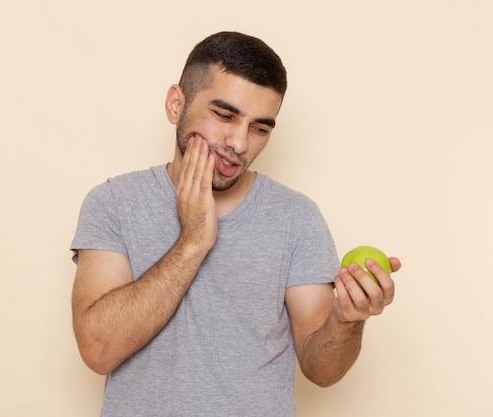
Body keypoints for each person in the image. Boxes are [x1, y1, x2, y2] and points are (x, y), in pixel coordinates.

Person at [70, 31, 400, 417]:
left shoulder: (296, 217)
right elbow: (98, 350)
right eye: (224, 115)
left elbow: (321, 370)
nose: (240, 143)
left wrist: (347, 320)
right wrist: (193, 240)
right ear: (176, 104)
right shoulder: (113, 203)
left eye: (260, 127)